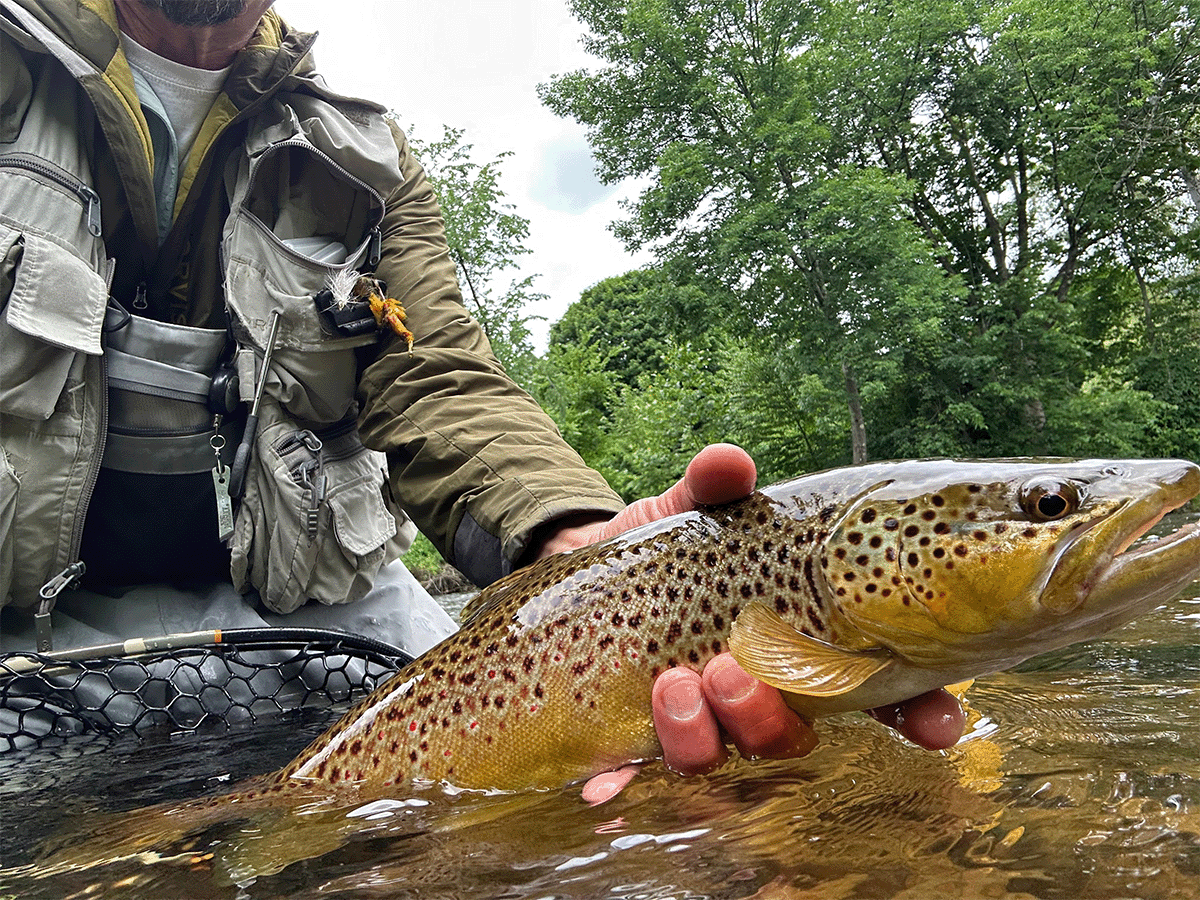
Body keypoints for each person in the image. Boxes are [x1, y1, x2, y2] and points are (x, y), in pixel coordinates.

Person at [0, 0, 963, 800]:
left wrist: (581, 549)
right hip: (28, 604)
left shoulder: (361, 156)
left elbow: (439, 378)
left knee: (625, 796)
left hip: (300, 601)